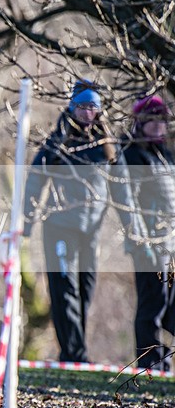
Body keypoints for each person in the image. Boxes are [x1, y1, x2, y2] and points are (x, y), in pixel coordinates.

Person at [22, 80, 140, 363]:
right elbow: (35, 181)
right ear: (72, 108)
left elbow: (122, 190)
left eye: (93, 107)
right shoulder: (58, 142)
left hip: (92, 230)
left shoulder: (107, 146)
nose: (88, 113)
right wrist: (26, 223)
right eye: (83, 106)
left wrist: (133, 231)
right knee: (66, 289)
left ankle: (73, 351)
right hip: (59, 227)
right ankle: (75, 354)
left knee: (85, 289)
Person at [123, 94, 175, 371]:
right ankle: (150, 362)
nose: (157, 125)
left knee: (169, 304)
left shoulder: (165, 154)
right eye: (151, 119)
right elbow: (128, 201)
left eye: (162, 119)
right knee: (152, 304)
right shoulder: (133, 154)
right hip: (149, 242)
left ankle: (163, 360)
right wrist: (142, 239)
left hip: (170, 242)